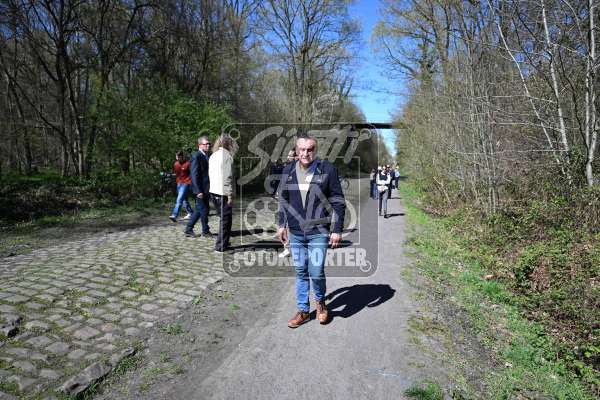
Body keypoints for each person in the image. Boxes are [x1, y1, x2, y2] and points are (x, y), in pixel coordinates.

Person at [278, 134, 346, 328]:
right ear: (296, 150)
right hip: (296, 232)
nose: (305, 153)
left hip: (319, 231)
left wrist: (337, 229)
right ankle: (303, 311)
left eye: (310, 149)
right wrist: (282, 224)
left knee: (315, 271)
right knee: (301, 271)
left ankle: (321, 303)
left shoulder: (327, 169)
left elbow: (338, 201)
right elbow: (283, 199)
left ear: (315, 150)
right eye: (302, 149)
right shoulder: (288, 170)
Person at [209, 134, 238, 252]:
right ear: (230, 144)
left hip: (214, 191)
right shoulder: (226, 156)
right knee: (225, 220)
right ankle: (220, 246)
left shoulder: (213, 155)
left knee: (223, 219)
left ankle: (224, 243)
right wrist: (229, 195)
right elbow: (227, 177)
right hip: (222, 193)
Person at [184, 136, 214, 238]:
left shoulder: (207, 155)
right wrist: (198, 191)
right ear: (200, 145)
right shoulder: (196, 156)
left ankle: (188, 229)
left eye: (209, 144)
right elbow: (194, 175)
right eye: (206, 144)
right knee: (204, 210)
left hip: (206, 188)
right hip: (200, 189)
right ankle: (205, 231)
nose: (208, 145)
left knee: (199, 210)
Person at [278, 149, 297, 259]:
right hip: (286, 198)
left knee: (288, 225)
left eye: (290, 156)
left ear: (296, 157)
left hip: (291, 201)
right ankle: (288, 248)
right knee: (285, 224)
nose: (288, 157)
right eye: (288, 155)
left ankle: (288, 249)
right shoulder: (287, 167)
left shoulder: (293, 168)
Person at [169, 151, 194, 222]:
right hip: (179, 183)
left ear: (182, 156)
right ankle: (191, 213)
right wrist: (170, 175)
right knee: (184, 199)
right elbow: (176, 174)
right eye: (176, 157)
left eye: (179, 157)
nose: (177, 158)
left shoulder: (188, 163)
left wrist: (191, 181)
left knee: (179, 199)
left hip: (186, 183)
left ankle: (174, 215)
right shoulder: (176, 164)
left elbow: (192, 173)